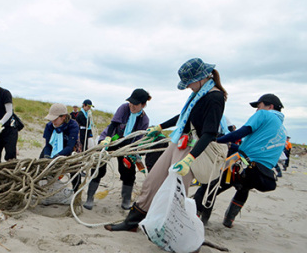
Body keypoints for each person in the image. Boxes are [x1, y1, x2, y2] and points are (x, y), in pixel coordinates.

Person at [104, 58, 226, 231]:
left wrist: (190, 159)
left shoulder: (214, 97)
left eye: (189, 83)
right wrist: (161, 126)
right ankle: (132, 223)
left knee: (176, 192)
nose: (188, 87)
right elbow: (185, 116)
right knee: (152, 181)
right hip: (178, 143)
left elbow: (209, 133)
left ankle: (173, 231)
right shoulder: (198, 94)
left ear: (201, 78)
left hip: (192, 148)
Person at [194, 94, 287, 227]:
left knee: (210, 185)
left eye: (259, 106)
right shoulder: (282, 130)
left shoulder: (264, 115)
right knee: (243, 188)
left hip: (242, 164)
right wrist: (235, 146)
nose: (257, 110)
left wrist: (214, 141)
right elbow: (261, 149)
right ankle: (228, 220)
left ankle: (200, 219)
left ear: (270, 106)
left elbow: (240, 133)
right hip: (260, 172)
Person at [84, 89, 151, 211]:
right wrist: (107, 139)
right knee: (99, 165)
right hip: (111, 139)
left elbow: (138, 140)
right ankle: (90, 197)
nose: (132, 106)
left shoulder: (144, 120)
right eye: (131, 102)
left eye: (135, 104)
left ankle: (125, 200)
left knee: (128, 170)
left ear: (143, 105)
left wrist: (134, 152)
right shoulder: (124, 108)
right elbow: (114, 124)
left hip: (127, 146)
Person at [40, 103, 80, 190]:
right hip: (53, 148)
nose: (53, 122)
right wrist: (47, 159)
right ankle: (43, 188)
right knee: (41, 164)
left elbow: (70, 147)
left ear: (63, 117)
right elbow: (48, 145)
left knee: (76, 170)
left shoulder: (73, 125)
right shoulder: (49, 126)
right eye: (51, 119)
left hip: (70, 149)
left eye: (55, 119)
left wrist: (56, 158)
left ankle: (76, 194)